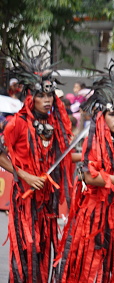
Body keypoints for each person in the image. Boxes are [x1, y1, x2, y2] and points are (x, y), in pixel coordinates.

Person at [55, 64, 114, 282]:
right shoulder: (95, 142)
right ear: (103, 117)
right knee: (91, 270)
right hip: (95, 219)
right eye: (113, 114)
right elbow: (89, 176)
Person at [3, 56, 75, 282]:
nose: (46, 100)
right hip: (25, 201)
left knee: (44, 251)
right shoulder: (17, 122)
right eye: (41, 95)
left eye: (49, 95)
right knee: (26, 250)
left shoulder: (55, 126)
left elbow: (65, 155)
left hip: (48, 202)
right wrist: (24, 174)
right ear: (30, 97)